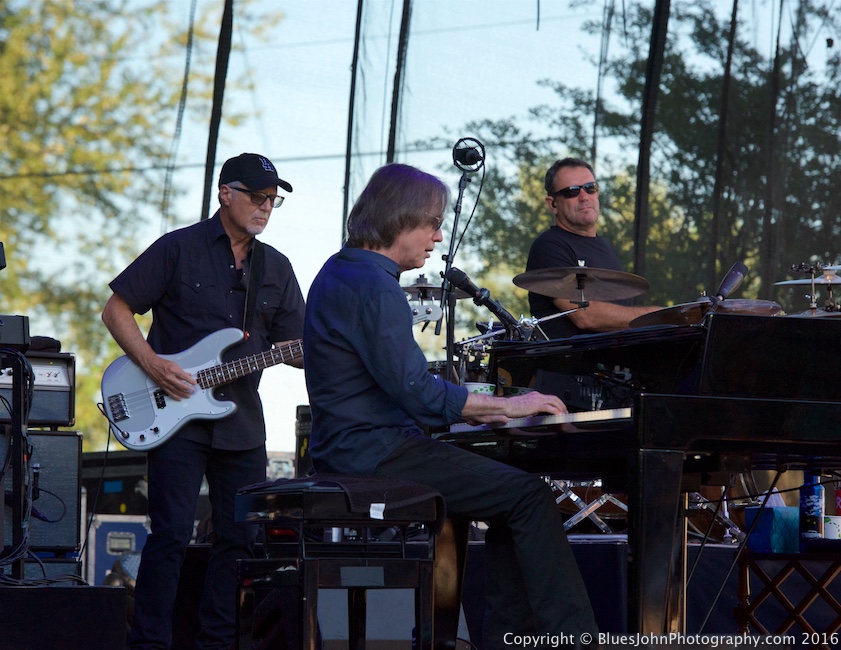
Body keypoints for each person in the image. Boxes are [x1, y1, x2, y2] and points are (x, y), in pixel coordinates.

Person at [303, 163, 599, 649]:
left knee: (510, 496)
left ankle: (511, 640)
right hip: (374, 454)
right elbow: (418, 394)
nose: (439, 238)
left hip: (353, 447)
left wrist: (494, 412)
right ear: (402, 219)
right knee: (529, 496)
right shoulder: (374, 286)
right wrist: (509, 406)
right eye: (434, 224)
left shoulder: (339, 271)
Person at [101, 152, 306, 649]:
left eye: (273, 201)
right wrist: (153, 364)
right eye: (258, 197)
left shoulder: (276, 267)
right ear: (226, 194)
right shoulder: (179, 248)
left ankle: (218, 642)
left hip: (241, 424)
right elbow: (116, 310)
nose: (265, 208)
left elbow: (297, 348)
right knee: (171, 534)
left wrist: (336, 341)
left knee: (239, 541)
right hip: (174, 418)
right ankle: (150, 642)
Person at [526, 157, 660, 339]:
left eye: (590, 188)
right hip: (568, 365)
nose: (584, 197)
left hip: (615, 363)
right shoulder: (549, 245)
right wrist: (659, 317)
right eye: (572, 191)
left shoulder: (605, 247)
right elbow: (585, 316)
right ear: (553, 204)